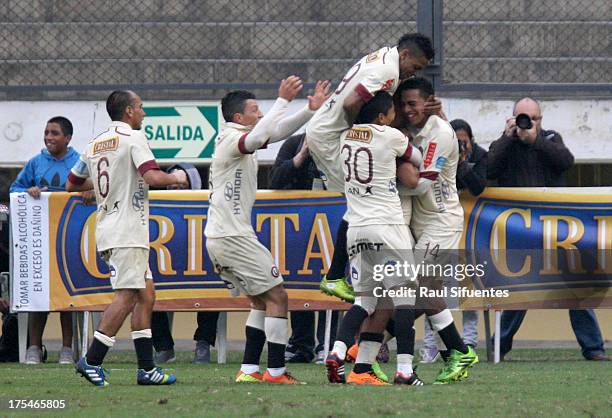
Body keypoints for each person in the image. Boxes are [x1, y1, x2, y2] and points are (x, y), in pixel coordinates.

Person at [205, 77, 330, 384]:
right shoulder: (233, 139)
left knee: (261, 300)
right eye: (254, 110)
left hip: (224, 236)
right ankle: (276, 371)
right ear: (238, 118)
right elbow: (261, 134)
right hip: (233, 237)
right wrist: (283, 100)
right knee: (279, 297)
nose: (260, 115)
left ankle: (249, 370)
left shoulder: (238, 136)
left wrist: (308, 111)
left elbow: (272, 132)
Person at [67, 90, 188, 387]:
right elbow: (153, 177)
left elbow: (71, 183)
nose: (144, 113)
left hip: (109, 228)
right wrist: (179, 177)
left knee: (146, 295)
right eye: (141, 107)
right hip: (128, 231)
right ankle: (92, 359)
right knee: (127, 295)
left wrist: (96, 189)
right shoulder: (134, 139)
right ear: (130, 111)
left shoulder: (94, 144)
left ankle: (146, 369)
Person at [306, 33, 437, 303]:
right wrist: (366, 135)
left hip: (329, 132)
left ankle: (341, 275)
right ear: (404, 56)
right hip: (330, 137)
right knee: (359, 195)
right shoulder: (387, 70)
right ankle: (334, 277)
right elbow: (351, 103)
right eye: (415, 67)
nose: (414, 74)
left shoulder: (381, 57)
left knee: (359, 196)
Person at [488, 97, 609, 361]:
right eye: (521, 117)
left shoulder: (551, 139)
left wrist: (535, 140)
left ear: (540, 120)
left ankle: (594, 348)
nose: (526, 123)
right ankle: (498, 346)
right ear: (511, 118)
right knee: (519, 293)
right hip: (519, 231)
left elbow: (565, 161)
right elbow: (489, 169)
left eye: (531, 118)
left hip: (557, 230)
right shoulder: (505, 143)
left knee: (573, 289)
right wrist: (508, 138)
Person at [325, 91, 424, 386]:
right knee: (404, 298)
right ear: (382, 117)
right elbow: (416, 159)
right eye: (391, 112)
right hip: (387, 226)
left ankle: (338, 351)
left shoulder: (344, 137)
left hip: (355, 227)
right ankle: (405, 369)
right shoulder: (390, 135)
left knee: (365, 300)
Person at [396, 77, 479, 383]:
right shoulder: (409, 129)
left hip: (440, 222)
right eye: (403, 104)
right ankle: (454, 355)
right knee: (423, 291)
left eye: (413, 104)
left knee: (418, 284)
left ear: (428, 102)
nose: (407, 109)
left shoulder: (441, 134)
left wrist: (382, 185)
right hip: (422, 222)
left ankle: (458, 350)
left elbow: (421, 186)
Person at [9, 116, 91, 365]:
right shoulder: (36, 162)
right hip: (38, 241)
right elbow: (14, 189)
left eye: (54, 133)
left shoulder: (80, 161)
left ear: (67, 138)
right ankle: (34, 347)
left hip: (70, 240)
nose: (49, 137)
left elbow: (97, 186)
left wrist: (89, 191)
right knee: (38, 293)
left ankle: (67, 349)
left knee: (66, 295)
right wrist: (28, 191)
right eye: (46, 132)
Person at [420, 118, 486, 363]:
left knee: (469, 289)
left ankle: (468, 341)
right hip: (440, 230)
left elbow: (478, 186)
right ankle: (430, 344)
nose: (458, 145)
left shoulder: (480, 156)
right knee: (432, 287)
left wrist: (465, 163)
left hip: (470, 235)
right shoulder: (435, 152)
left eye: (463, 141)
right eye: (454, 141)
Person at [269, 133, 339, 364]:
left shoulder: (341, 142)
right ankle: (301, 344)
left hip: (335, 223)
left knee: (335, 281)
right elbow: (275, 180)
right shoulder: (295, 143)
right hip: (299, 227)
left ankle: (328, 343)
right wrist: (301, 156)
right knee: (300, 281)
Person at [150, 163, 221, 365]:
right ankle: (163, 347)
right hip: (167, 269)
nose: (176, 191)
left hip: (199, 267)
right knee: (148, 288)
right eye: (172, 187)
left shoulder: (209, 210)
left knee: (214, 286)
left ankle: (203, 344)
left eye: (182, 187)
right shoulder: (157, 210)